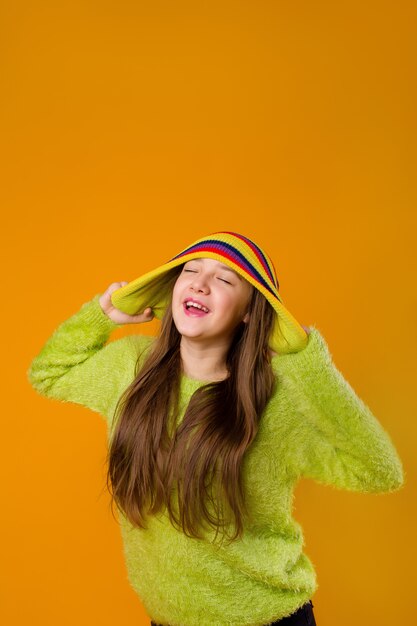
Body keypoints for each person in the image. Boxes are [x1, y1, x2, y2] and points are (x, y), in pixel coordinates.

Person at [27, 230, 404, 626]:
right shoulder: (130, 368)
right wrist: (102, 316)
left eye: (225, 279)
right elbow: (48, 373)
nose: (200, 284)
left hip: (267, 620)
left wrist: (308, 364)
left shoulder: (277, 405)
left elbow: (379, 470)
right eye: (190, 270)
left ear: (247, 312)